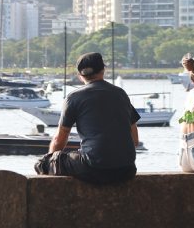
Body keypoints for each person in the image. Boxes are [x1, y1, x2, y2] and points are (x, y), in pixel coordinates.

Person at [35, 52, 139, 185]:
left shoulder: (74, 97)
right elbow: (135, 140)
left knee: (41, 164)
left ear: (80, 76)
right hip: (127, 170)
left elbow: (59, 139)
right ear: (103, 70)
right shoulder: (121, 94)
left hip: (93, 168)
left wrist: (51, 160)